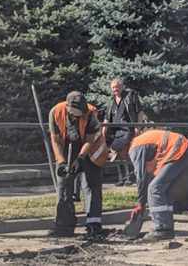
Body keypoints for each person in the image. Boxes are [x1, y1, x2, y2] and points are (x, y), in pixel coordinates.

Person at [48, 91, 108, 238]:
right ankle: (64, 226)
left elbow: (90, 139)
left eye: (81, 113)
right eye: (76, 113)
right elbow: (55, 140)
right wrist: (61, 161)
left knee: (91, 183)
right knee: (63, 185)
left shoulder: (91, 113)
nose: (79, 116)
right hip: (67, 144)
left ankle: (94, 225)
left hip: (91, 148)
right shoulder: (56, 112)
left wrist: (81, 158)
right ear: (68, 108)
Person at [128, 129, 188, 241]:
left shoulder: (134, 148)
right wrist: (142, 204)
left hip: (179, 150)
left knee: (154, 189)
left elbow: (141, 178)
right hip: (184, 149)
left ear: (123, 148)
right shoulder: (143, 142)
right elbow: (147, 175)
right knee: (163, 190)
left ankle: (162, 229)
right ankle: (167, 226)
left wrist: (140, 204)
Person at [103, 79, 144, 186]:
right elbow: (107, 118)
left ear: (122, 87)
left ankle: (129, 177)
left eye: (117, 87)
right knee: (118, 151)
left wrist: (137, 127)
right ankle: (122, 178)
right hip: (116, 131)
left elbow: (139, 112)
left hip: (128, 129)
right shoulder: (111, 100)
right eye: (113, 87)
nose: (115, 89)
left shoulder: (131, 96)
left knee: (118, 149)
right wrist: (103, 132)